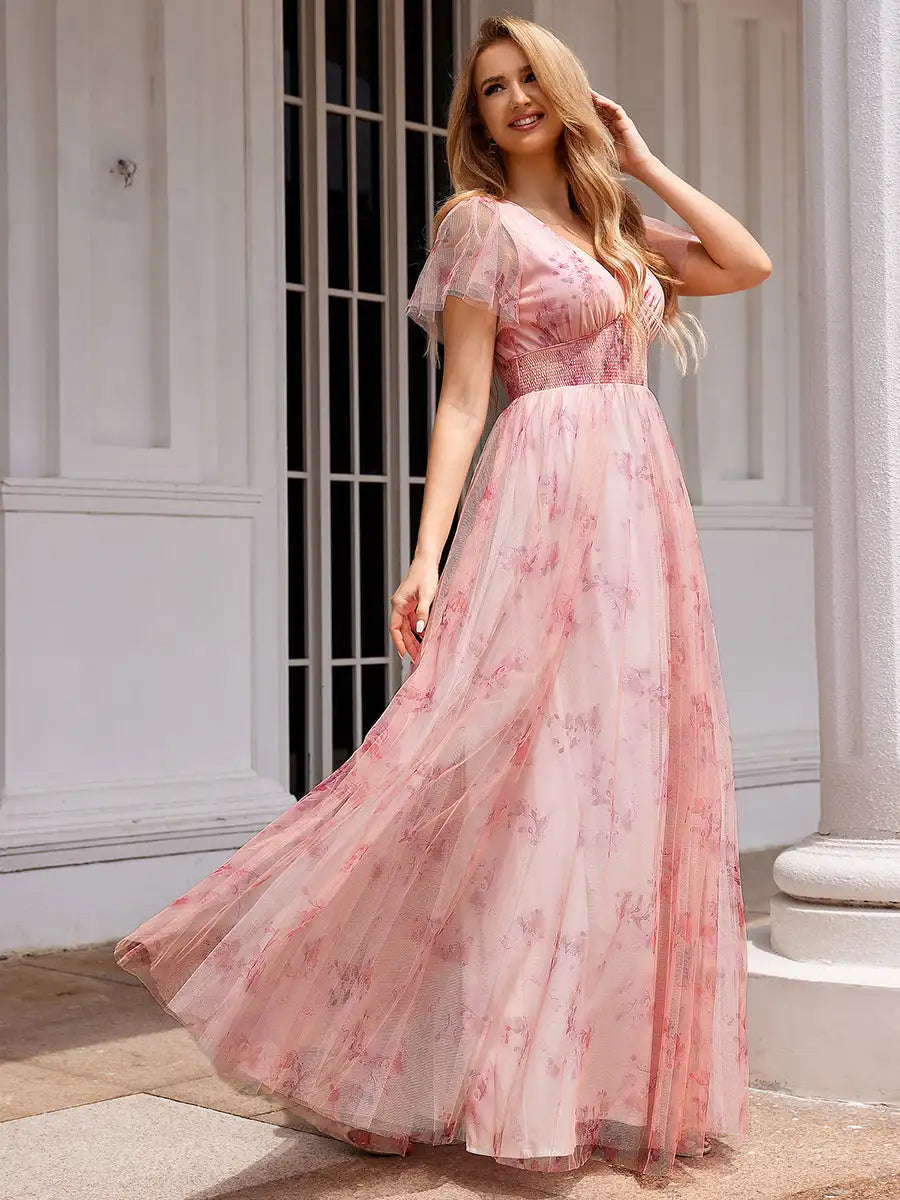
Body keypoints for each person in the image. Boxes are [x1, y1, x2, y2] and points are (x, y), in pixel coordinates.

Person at [115, 13, 771, 1179]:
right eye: (492, 89)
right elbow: (465, 399)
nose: (515, 100)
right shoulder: (480, 225)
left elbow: (744, 262)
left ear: (562, 92)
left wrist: (640, 160)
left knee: (613, 782)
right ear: (473, 118)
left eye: (530, 80)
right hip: (541, 498)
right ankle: (305, 976)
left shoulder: (613, 225)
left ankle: (563, 1074)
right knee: (492, 767)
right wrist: (426, 557)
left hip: (637, 517)